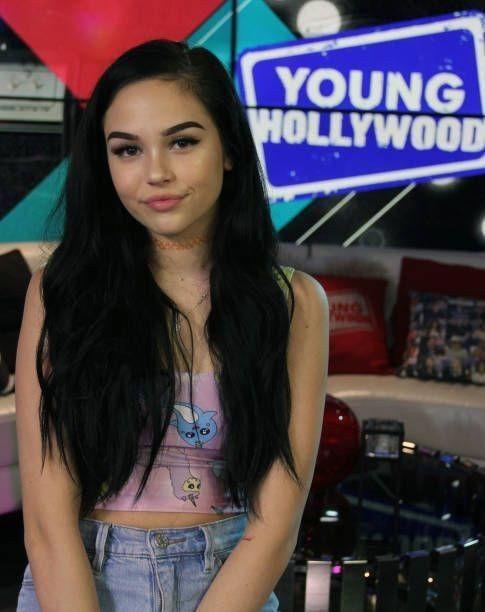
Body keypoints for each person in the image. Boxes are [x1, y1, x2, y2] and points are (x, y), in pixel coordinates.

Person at [15, 38, 329, 611]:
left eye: (182, 142)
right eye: (127, 150)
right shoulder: (60, 293)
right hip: (80, 582)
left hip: (231, 584)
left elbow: (277, 519)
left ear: (228, 149)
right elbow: (47, 521)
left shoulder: (295, 303)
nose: (155, 173)